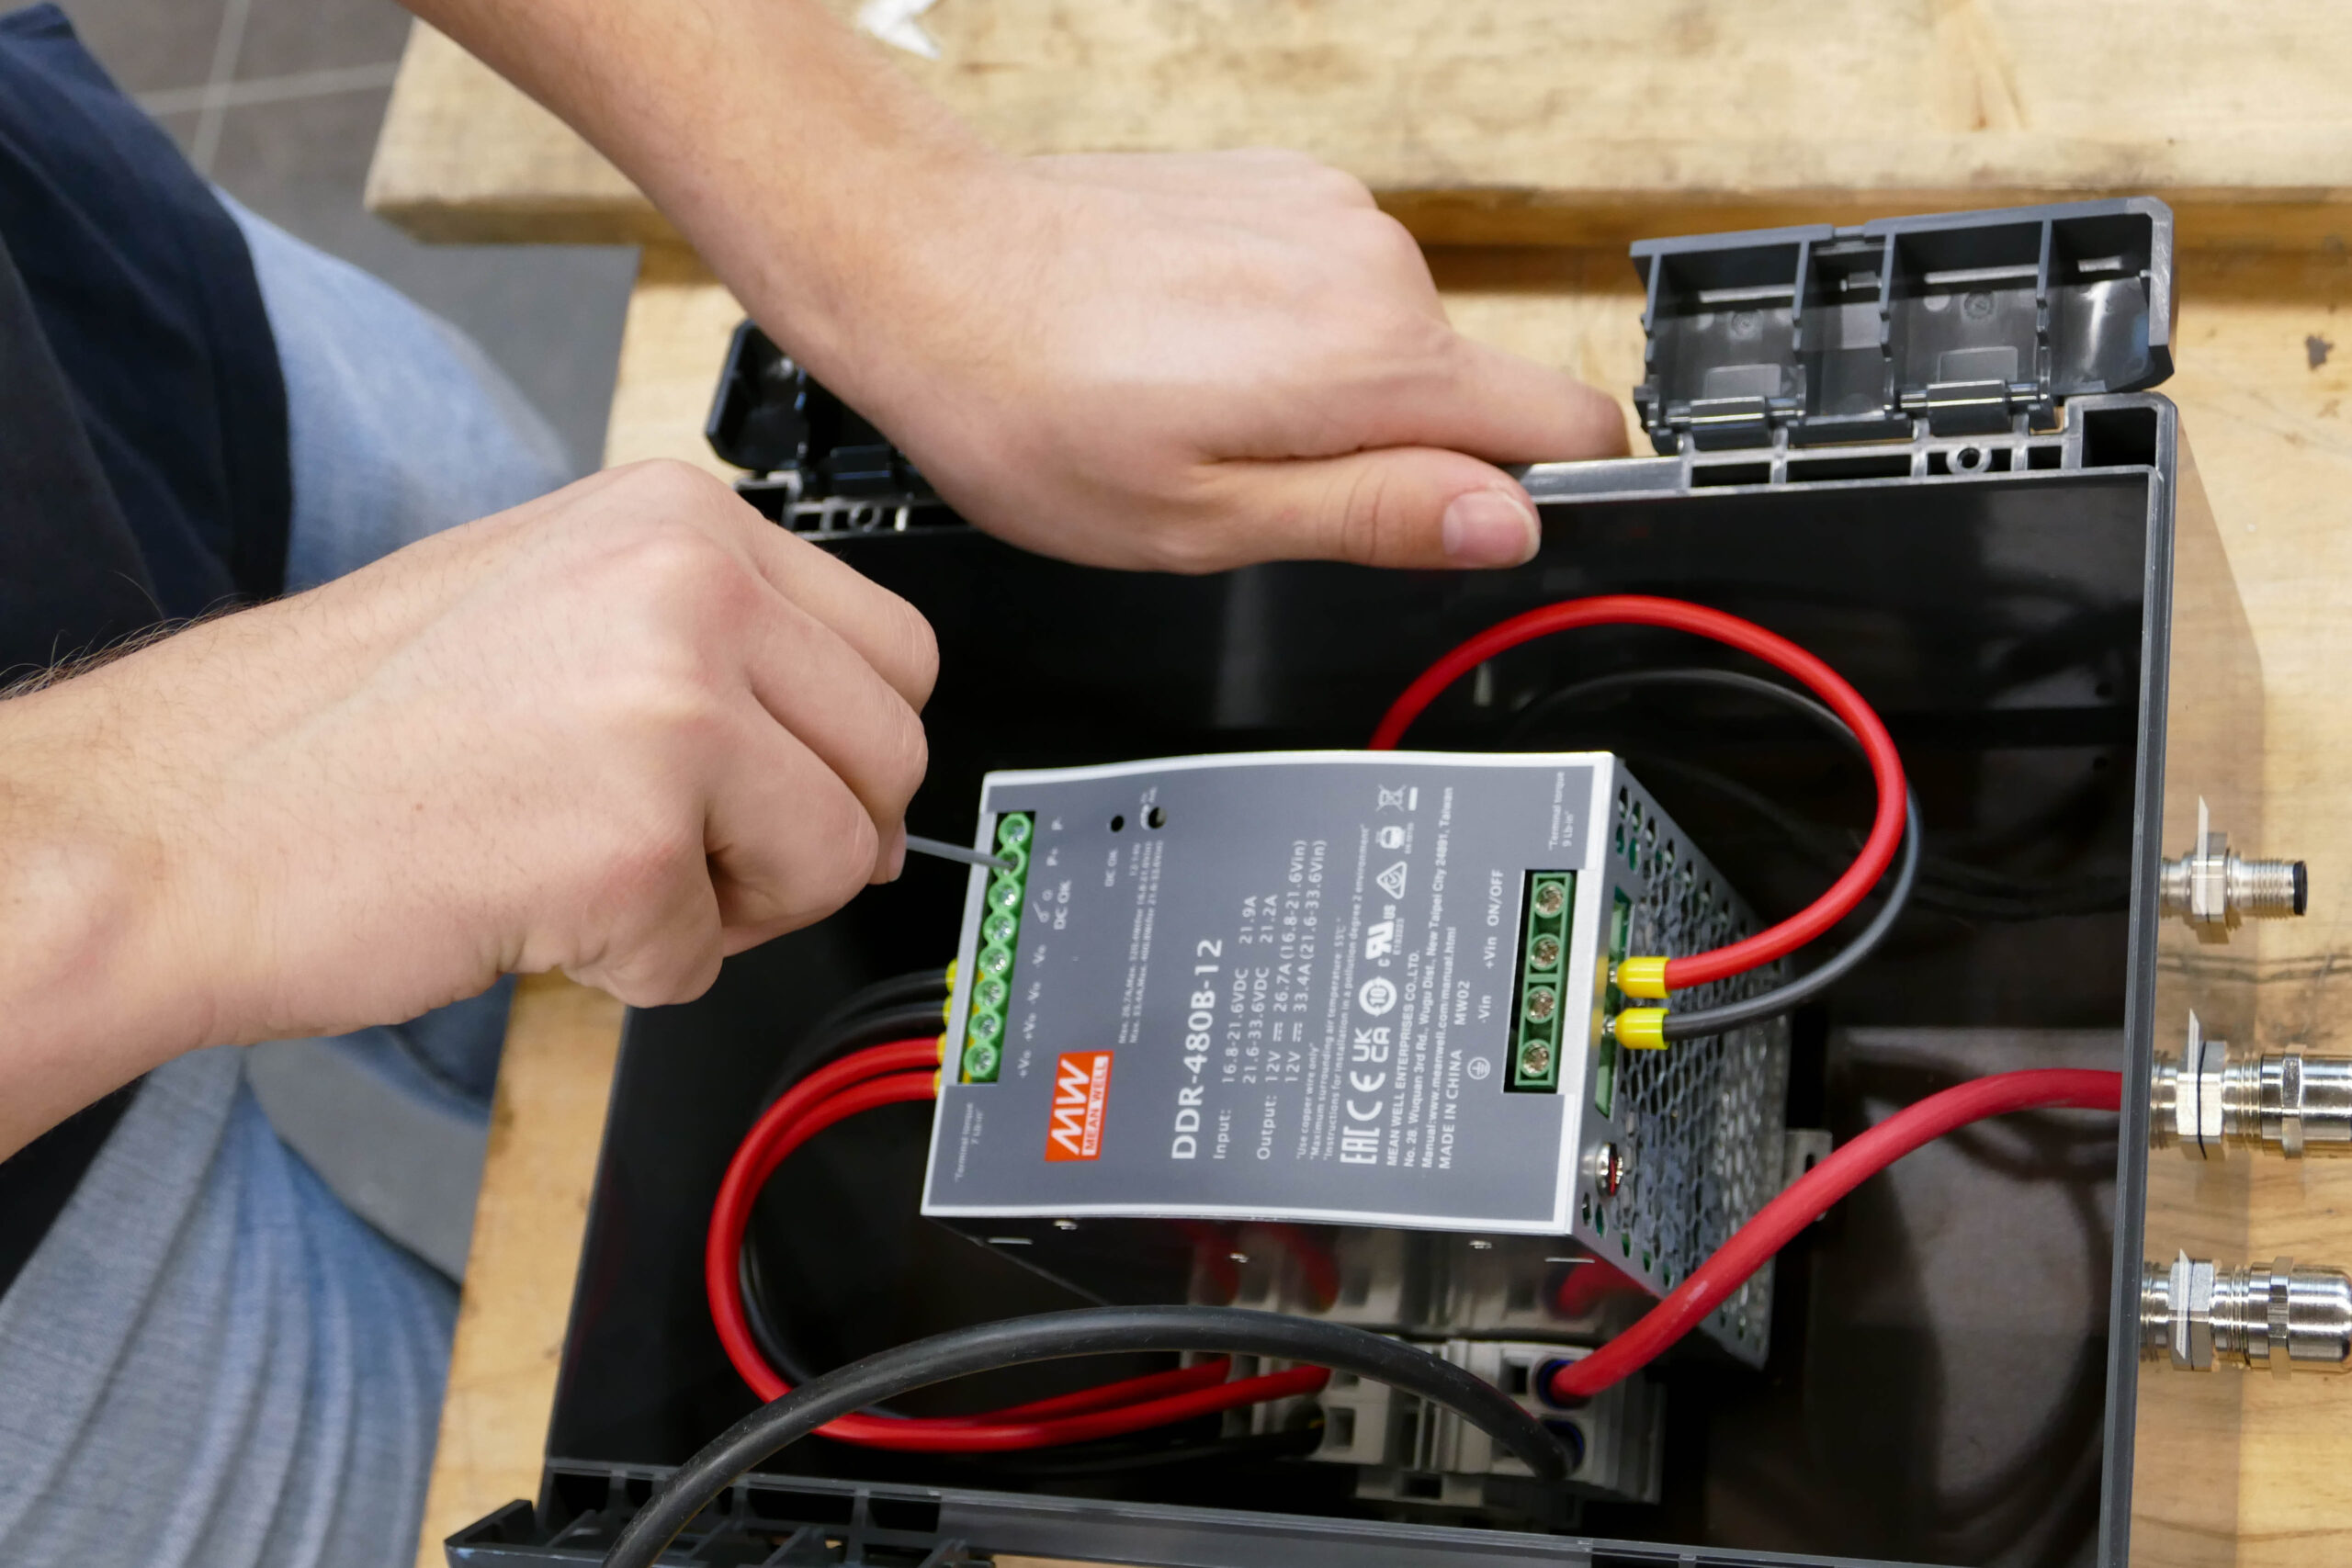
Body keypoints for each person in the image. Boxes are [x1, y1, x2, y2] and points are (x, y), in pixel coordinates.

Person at [0, 0, 1626, 1561]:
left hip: (92, 332)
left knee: (712, 917)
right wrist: (161, 839)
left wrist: (886, 208)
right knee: (538, 1463)